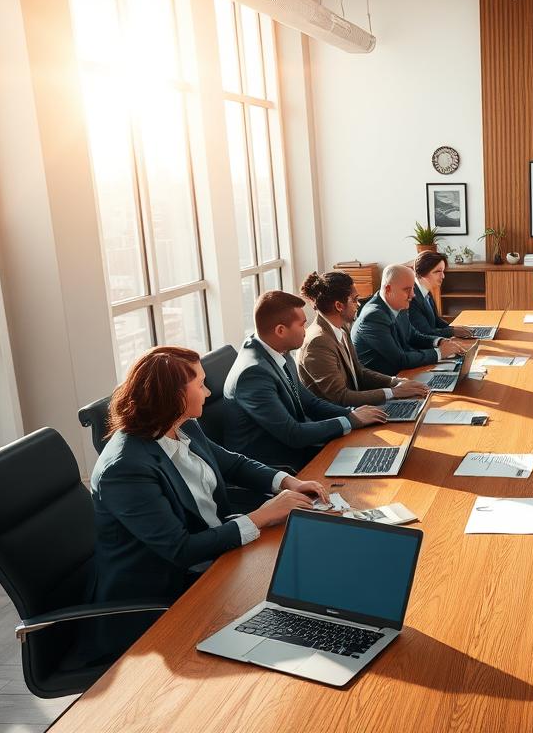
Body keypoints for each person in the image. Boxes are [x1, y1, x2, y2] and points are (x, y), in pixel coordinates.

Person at [89, 346, 328, 656]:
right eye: (200, 384)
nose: (208, 391)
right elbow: (181, 549)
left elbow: (233, 463)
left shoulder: (180, 424)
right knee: (288, 614)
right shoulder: (124, 468)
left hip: (215, 559)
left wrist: (287, 481)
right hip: (166, 597)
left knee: (306, 574)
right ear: (173, 396)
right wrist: (260, 516)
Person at [225, 291, 387, 470]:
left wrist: (350, 414)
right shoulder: (253, 374)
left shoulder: (278, 350)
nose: (306, 330)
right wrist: (350, 421)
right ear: (280, 330)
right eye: (302, 324)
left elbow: (310, 403)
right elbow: (292, 433)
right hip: (279, 466)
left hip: (300, 450)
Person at [297, 270, 429, 407]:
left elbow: (359, 371)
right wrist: (393, 392)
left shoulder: (341, 328)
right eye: (354, 299)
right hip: (340, 419)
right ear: (339, 306)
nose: (358, 304)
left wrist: (396, 382)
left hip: (359, 409)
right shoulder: (317, 342)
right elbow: (340, 397)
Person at [352, 264, 466, 375]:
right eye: (407, 290)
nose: (413, 295)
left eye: (412, 288)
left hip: (404, 374)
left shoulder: (398, 304)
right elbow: (400, 360)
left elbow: (413, 336)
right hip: (386, 382)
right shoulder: (373, 316)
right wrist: (440, 352)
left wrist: (439, 341)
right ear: (388, 289)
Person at [409, 251, 474, 340]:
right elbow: (425, 332)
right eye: (437, 271)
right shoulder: (411, 298)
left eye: (443, 271)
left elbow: (437, 321)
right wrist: (453, 331)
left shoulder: (426, 292)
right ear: (422, 272)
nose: (443, 276)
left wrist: (456, 328)